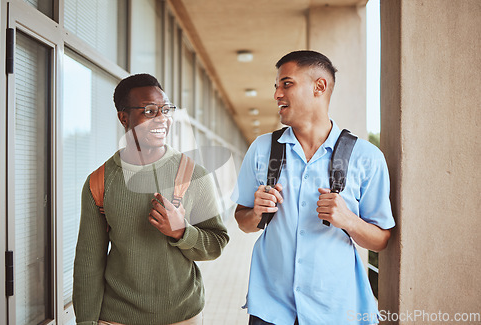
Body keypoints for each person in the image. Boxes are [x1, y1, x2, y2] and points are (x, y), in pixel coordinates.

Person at [232, 50, 395, 324]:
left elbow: (381, 240)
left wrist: (349, 220)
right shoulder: (261, 150)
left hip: (336, 309)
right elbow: (243, 221)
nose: (277, 95)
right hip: (270, 309)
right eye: (276, 87)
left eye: (286, 83)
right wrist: (256, 213)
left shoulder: (366, 157)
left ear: (319, 87)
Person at [73, 73, 229, 325]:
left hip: (183, 316)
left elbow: (216, 243)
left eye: (166, 110)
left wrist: (182, 232)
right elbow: (89, 262)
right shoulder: (100, 182)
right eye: (149, 110)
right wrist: (87, 321)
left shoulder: (193, 174)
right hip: (116, 318)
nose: (162, 119)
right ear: (124, 117)